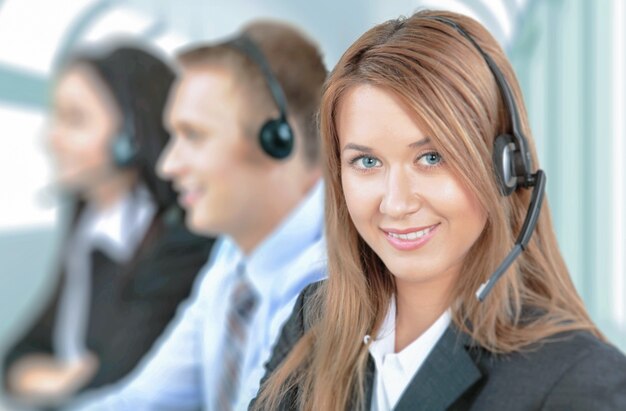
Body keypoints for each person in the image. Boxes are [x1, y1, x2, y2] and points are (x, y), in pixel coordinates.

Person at [252, 10, 626, 411]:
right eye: (367, 162)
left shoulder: (578, 380)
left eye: (432, 158)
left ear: (505, 168)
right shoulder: (317, 321)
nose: (396, 202)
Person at [70, 20, 327, 411]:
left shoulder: (334, 284)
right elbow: (139, 401)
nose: (167, 165)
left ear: (277, 140)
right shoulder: (232, 260)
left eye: (193, 135)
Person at [2, 44, 214, 408]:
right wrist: (60, 380)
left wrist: (59, 378)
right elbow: (17, 356)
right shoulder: (87, 219)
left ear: (130, 135)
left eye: (75, 119)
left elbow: (116, 378)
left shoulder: (178, 240)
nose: (52, 137)